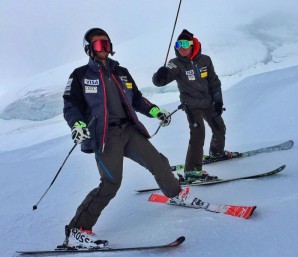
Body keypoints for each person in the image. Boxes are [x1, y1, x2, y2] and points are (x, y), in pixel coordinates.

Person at [62, 28, 194, 249]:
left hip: (129, 131)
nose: (103, 49)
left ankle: (176, 194)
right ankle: (77, 229)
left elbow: (137, 99)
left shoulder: (121, 72)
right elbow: (71, 106)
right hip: (105, 136)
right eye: (97, 45)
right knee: (111, 183)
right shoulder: (80, 75)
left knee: (158, 162)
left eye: (105, 44)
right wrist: (77, 125)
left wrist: (155, 111)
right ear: (89, 49)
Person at [153, 29, 239, 183]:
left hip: (208, 103)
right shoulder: (175, 64)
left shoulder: (205, 60)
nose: (181, 47)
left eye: (185, 44)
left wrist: (218, 101)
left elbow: (214, 82)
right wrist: (159, 76)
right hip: (191, 106)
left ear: (193, 45)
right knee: (198, 132)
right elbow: (161, 81)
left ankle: (216, 153)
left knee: (219, 127)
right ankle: (192, 171)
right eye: (178, 44)